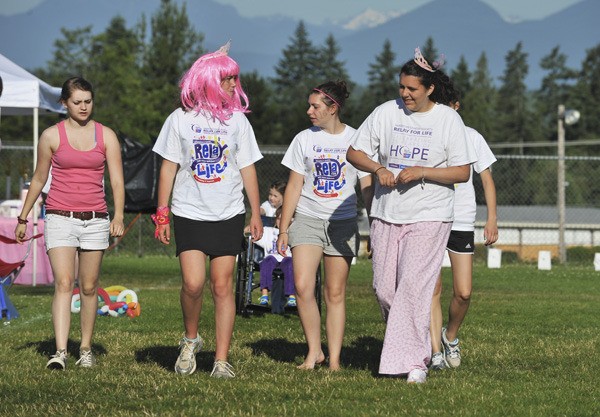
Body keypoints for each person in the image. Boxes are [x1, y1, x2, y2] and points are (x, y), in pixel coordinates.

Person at [346, 47, 476, 383]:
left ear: (430, 89)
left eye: (412, 89)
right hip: (387, 213)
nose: (405, 94)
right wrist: (378, 168)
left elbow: (462, 172)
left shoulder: (448, 119)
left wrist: (422, 172)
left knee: (413, 289)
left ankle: (417, 362)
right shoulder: (386, 113)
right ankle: (406, 345)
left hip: (431, 214)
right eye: (402, 87)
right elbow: (354, 152)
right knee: (384, 291)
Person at [152, 41, 263, 379]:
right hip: (188, 210)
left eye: (234, 79)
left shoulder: (239, 123)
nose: (234, 85)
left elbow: (247, 169)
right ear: (210, 80)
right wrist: (162, 212)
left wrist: (256, 212)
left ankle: (221, 359)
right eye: (227, 79)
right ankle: (190, 340)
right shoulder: (179, 120)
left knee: (222, 286)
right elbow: (169, 168)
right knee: (193, 283)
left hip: (228, 212)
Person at [15, 76, 125, 370]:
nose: (84, 107)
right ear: (64, 103)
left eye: (88, 101)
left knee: (88, 287)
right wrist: (24, 216)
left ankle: (85, 348)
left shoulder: (106, 136)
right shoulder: (51, 136)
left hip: (95, 220)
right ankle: (61, 351)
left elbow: (116, 179)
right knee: (64, 283)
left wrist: (118, 215)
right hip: (59, 217)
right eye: (77, 102)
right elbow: (39, 178)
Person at [277, 80, 371, 371]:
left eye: (315, 106)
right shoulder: (303, 139)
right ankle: (313, 351)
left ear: (334, 108)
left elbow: (366, 186)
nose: (309, 111)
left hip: (343, 223)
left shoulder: (357, 140)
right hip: (306, 219)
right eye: (310, 105)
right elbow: (294, 185)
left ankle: (334, 360)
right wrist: (283, 227)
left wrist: (374, 224)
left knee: (335, 292)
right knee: (304, 286)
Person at [429, 98, 498, 370]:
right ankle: (435, 352)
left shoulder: (472, 136)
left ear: (456, 106)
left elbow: (486, 179)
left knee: (464, 292)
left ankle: (450, 337)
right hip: (432, 217)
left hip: (462, 220)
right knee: (432, 289)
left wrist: (492, 218)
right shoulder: (429, 135)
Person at [256, 206, 296, 307]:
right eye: (279, 219)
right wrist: (250, 230)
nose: (281, 222)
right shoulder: (268, 231)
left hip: (287, 259)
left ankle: (292, 297)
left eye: (285, 219)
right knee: (266, 261)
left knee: (291, 263)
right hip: (271, 258)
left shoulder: (293, 234)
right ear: (276, 219)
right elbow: (254, 237)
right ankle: (264, 296)